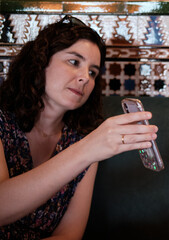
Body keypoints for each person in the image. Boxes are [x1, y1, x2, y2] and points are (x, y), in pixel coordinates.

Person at [0, 15, 158, 239]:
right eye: (74, 62)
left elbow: (70, 234)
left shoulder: (81, 137)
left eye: (92, 72)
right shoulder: (2, 122)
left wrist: (89, 147)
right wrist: (88, 149)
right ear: (40, 62)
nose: (85, 78)